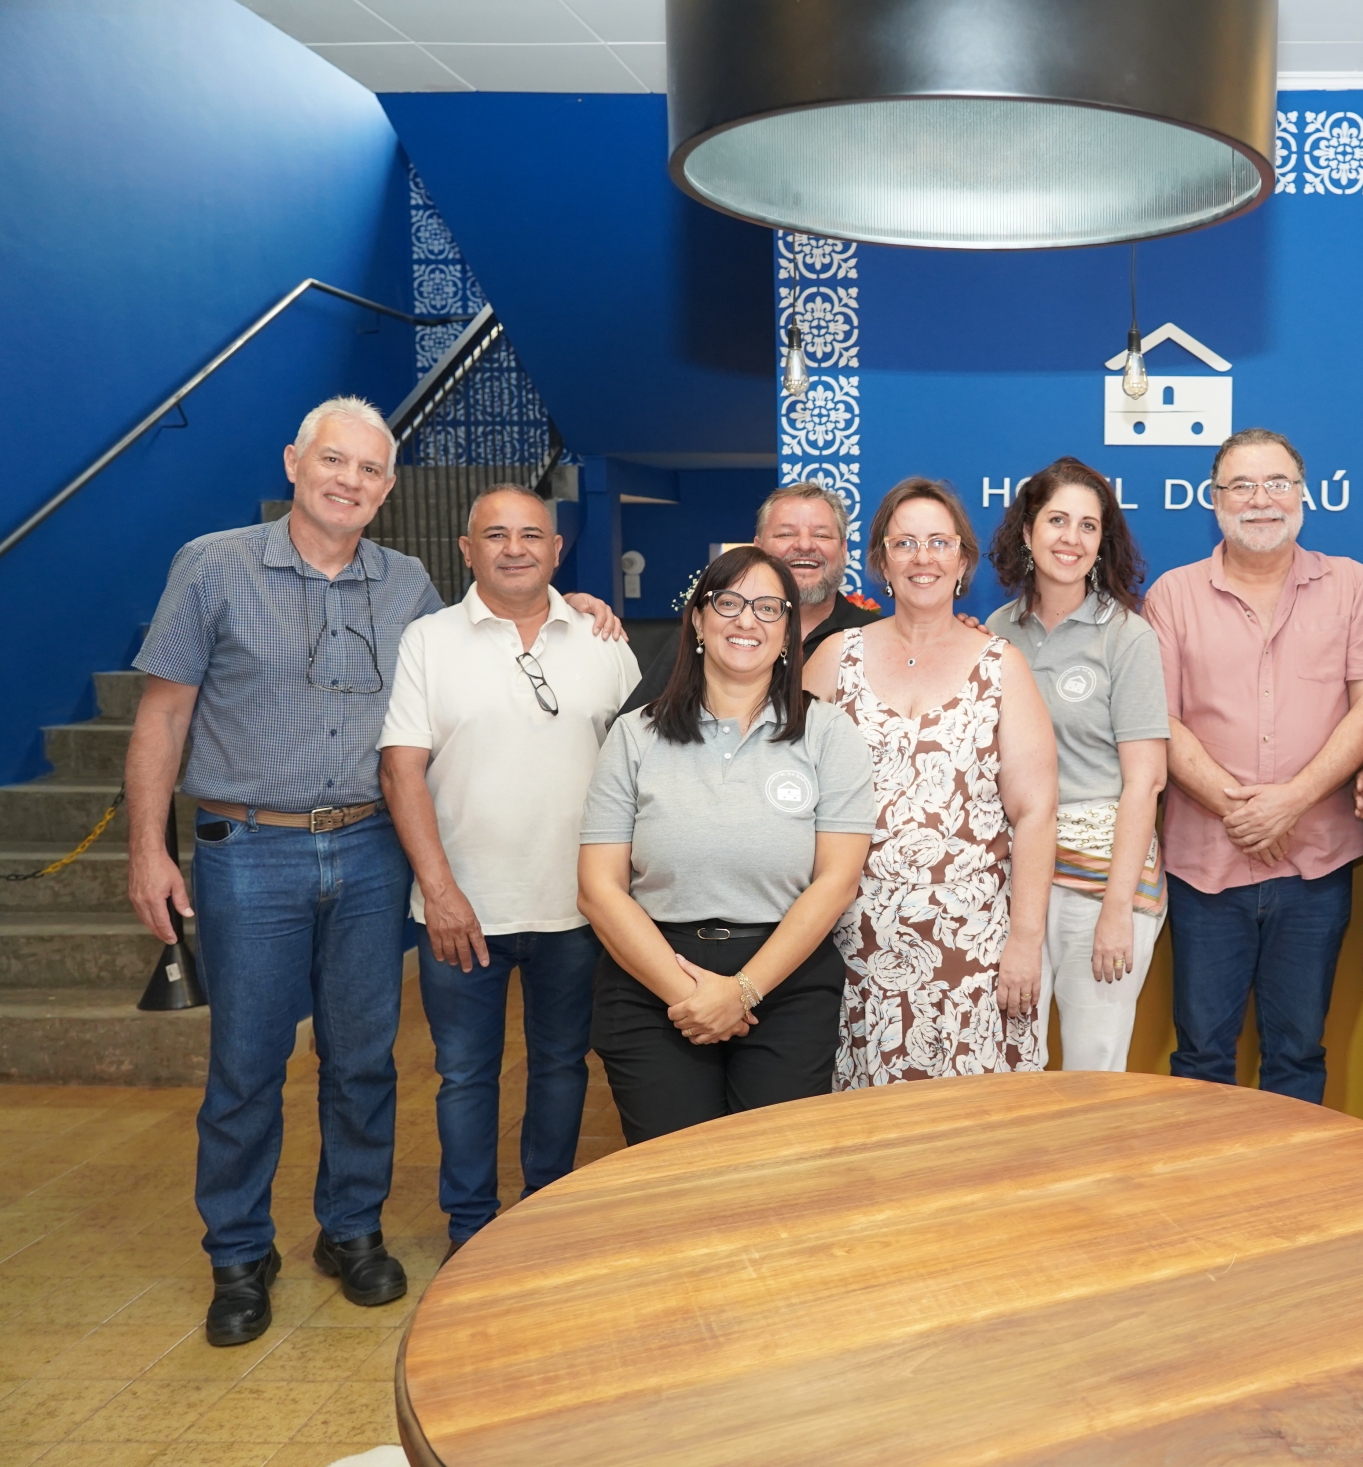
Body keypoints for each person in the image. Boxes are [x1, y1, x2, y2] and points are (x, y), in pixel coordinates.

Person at [125, 397, 621, 1346]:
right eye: (333, 461)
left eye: (368, 469)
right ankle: (239, 1252)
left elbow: (489, 640)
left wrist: (578, 608)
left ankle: (350, 1228)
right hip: (250, 846)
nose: (348, 481)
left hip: (368, 847)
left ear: (388, 488)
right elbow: (164, 713)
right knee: (246, 1064)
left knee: (362, 1058)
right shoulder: (212, 565)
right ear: (294, 461)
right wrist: (148, 847)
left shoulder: (407, 586)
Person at [377, 485, 640, 1259]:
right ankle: (470, 1230)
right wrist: (440, 890)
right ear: (468, 550)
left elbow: (647, 764)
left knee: (562, 1066)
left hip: (581, 909)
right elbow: (400, 770)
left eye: (531, 534)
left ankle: (543, 1218)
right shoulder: (427, 641)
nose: (515, 548)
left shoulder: (603, 639)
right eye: (496, 534)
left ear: (557, 550)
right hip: (462, 909)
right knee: (465, 1075)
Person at [1144, 428, 1363, 1104]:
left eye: (1277, 484)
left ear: (1302, 494)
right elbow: (1158, 721)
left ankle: (1291, 1178)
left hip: (1314, 866)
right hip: (1206, 866)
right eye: (1241, 486)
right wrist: (1243, 810)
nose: (1260, 500)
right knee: (1202, 1052)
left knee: (1297, 1052)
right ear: (1214, 499)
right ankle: (1203, 1176)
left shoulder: (1352, 586)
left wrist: (1290, 801)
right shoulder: (1172, 595)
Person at [577, 546, 874, 1143]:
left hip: (785, 983)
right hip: (652, 981)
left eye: (768, 608)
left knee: (773, 1173)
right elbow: (597, 889)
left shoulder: (829, 733)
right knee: (675, 1173)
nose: (747, 620)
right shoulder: (635, 736)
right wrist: (692, 997)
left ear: (788, 631)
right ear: (697, 620)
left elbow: (837, 881)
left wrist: (742, 992)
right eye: (729, 602)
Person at [803, 478, 1057, 1086]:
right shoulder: (836, 657)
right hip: (854, 943)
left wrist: (1025, 942)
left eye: (940, 542)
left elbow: (1036, 812)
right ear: (882, 560)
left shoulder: (1001, 664)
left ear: (963, 561)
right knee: (867, 1126)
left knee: (974, 1125)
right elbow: (790, 797)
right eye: (906, 542)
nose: (924, 557)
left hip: (975, 947)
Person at [984, 458, 1169, 1071]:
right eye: (1057, 520)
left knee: (1095, 1065)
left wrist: (1117, 909)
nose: (1072, 538)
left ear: (1102, 542)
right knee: (1013, 1061)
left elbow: (1146, 781)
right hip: (1014, 884)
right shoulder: (996, 633)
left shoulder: (1127, 637)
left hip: (1101, 881)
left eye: (1088, 526)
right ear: (1027, 531)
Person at [620, 480, 880, 713]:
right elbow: (634, 729)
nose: (804, 545)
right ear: (758, 548)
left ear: (843, 550)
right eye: (786, 534)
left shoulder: (875, 638)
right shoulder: (712, 632)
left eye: (821, 534)